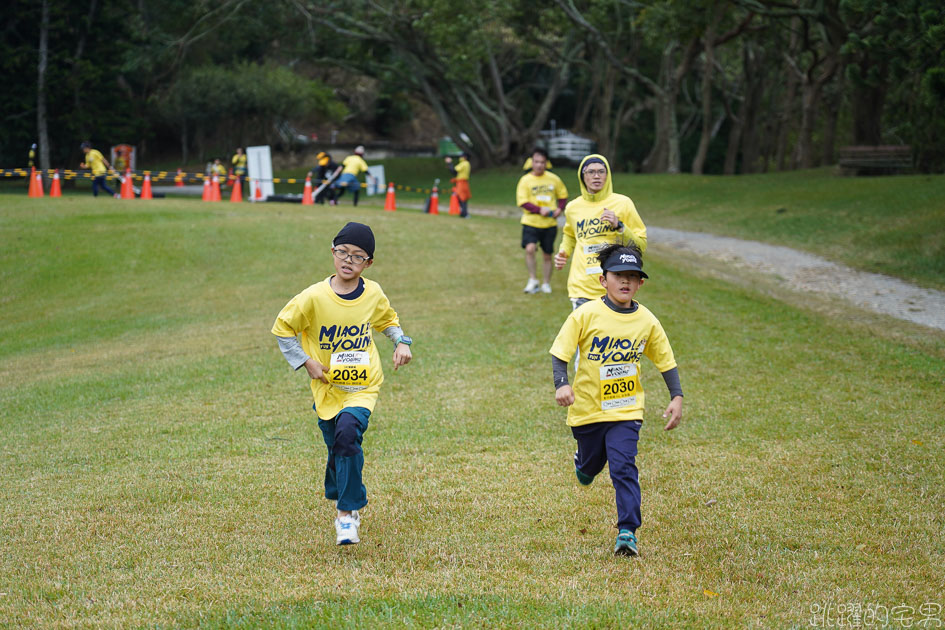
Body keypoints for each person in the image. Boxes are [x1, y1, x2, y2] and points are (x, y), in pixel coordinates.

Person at [271, 222, 413, 546]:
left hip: (363, 387)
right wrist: (306, 362)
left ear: (368, 263)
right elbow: (282, 328)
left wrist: (401, 342)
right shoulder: (313, 297)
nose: (348, 260)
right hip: (327, 388)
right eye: (342, 252)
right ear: (332, 253)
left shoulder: (373, 293)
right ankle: (343, 493)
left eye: (357, 256)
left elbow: (388, 320)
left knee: (348, 433)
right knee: (338, 446)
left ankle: (346, 514)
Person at [549, 242, 683, 557]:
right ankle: (584, 461)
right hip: (587, 411)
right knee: (591, 467)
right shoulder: (586, 314)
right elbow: (560, 353)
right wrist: (562, 384)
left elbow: (665, 361)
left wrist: (676, 396)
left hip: (626, 409)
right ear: (602, 280)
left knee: (623, 465)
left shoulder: (647, 321)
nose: (625, 281)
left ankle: (627, 532)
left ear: (640, 284)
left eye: (632, 276)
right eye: (618, 275)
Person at [555, 154, 647, 311]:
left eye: (601, 171)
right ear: (582, 176)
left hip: (615, 287)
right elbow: (570, 234)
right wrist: (564, 251)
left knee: (614, 335)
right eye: (590, 172)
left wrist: (619, 226)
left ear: (608, 175)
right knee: (586, 335)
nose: (596, 176)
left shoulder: (623, 203)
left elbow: (641, 245)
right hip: (582, 286)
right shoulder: (573, 207)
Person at [517, 148, 569, 294]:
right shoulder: (525, 180)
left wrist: (559, 209)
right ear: (531, 162)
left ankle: (546, 283)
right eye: (536, 162)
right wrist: (539, 210)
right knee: (530, 249)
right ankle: (533, 279)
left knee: (547, 254)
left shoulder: (554, 179)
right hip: (531, 222)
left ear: (546, 163)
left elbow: (563, 195)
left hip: (549, 224)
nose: (539, 165)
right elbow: (522, 202)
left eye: (542, 162)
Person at [444, 152, 471, 217]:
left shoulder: (464, 163)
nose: (460, 158)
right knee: (461, 197)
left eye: (461, 156)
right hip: (461, 182)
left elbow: (454, 170)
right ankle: (463, 213)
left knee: (462, 197)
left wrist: (449, 162)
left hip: (462, 183)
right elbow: (455, 173)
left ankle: (465, 213)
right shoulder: (464, 163)